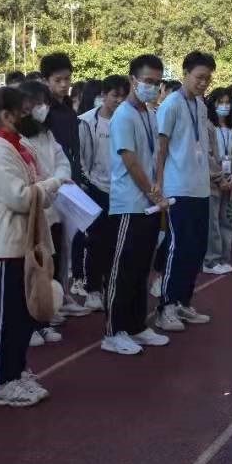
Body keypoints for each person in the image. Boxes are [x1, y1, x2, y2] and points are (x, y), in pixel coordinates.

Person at [0, 85, 59, 406]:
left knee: (25, 313)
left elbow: (41, 184)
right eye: (23, 112)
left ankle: (17, 369)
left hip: (29, 241)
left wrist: (47, 185)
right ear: (5, 115)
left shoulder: (22, 145)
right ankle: (0, 381)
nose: (29, 116)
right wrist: (50, 185)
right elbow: (20, 197)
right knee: (5, 315)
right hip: (7, 242)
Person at [101, 54, 171, 355]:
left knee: (142, 268)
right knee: (123, 269)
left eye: (157, 82)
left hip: (149, 204)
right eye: (147, 81)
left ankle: (136, 325)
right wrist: (152, 192)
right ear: (133, 80)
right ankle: (113, 331)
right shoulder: (124, 116)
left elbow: (156, 155)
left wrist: (158, 189)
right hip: (129, 204)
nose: (152, 87)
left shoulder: (150, 113)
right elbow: (130, 160)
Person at [153, 51, 215, 333]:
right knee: (177, 248)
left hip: (200, 188)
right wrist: (159, 186)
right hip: (177, 189)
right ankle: (165, 306)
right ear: (185, 74)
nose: (203, 83)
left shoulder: (200, 105)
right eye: (199, 77)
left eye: (208, 78)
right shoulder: (171, 105)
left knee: (196, 249)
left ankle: (182, 302)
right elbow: (161, 148)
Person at [18, 80, 85, 339]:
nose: (41, 108)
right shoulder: (18, 138)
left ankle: (43, 319)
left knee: (49, 266)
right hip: (34, 210)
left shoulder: (46, 133)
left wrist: (57, 179)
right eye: (35, 104)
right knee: (31, 271)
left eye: (44, 103)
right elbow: (31, 173)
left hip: (54, 207)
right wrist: (52, 181)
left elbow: (62, 161)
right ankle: (29, 326)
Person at [78, 75, 127, 312]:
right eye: (115, 95)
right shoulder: (87, 122)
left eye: (123, 96)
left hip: (123, 190)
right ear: (104, 95)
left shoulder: (128, 120)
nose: (119, 100)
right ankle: (92, 289)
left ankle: (110, 286)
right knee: (96, 241)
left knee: (117, 243)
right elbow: (82, 158)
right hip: (97, 188)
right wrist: (89, 184)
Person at [203, 87, 232, 275]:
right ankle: (211, 260)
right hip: (213, 182)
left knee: (227, 220)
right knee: (212, 222)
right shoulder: (207, 126)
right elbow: (207, 155)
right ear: (213, 104)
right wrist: (219, 177)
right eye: (221, 102)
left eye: (228, 103)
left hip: (230, 181)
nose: (225, 106)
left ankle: (224, 258)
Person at [70, 78, 103, 298]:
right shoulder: (82, 122)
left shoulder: (110, 120)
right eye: (99, 95)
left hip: (103, 185)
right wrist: (85, 180)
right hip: (86, 184)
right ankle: (78, 277)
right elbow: (80, 157)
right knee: (82, 234)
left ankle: (94, 278)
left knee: (98, 236)